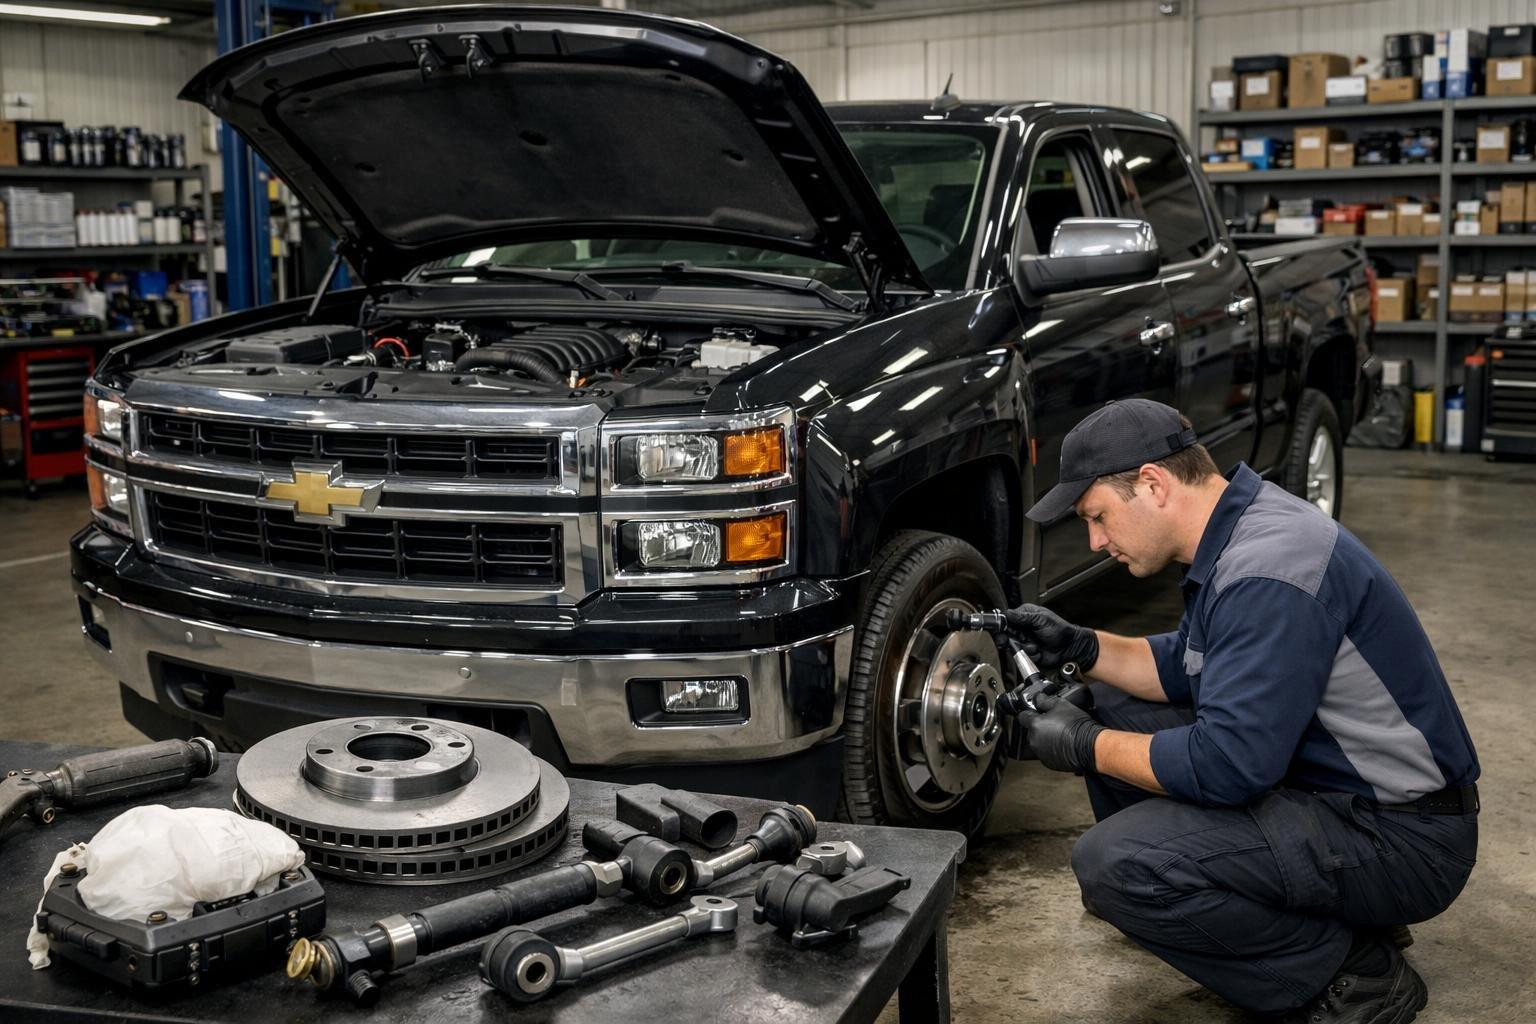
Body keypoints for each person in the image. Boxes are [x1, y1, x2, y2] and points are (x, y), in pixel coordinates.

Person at [1011, 398, 1479, 1024]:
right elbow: (1188, 663)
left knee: (1116, 863)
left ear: (1152, 484)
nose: (1096, 542)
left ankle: (1353, 976)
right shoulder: (1246, 523)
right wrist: (1083, 646)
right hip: (1347, 797)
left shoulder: (1267, 571)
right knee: (1113, 709)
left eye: (1098, 517)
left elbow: (1229, 766)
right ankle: (1307, 915)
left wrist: (1081, 744)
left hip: (1401, 838)